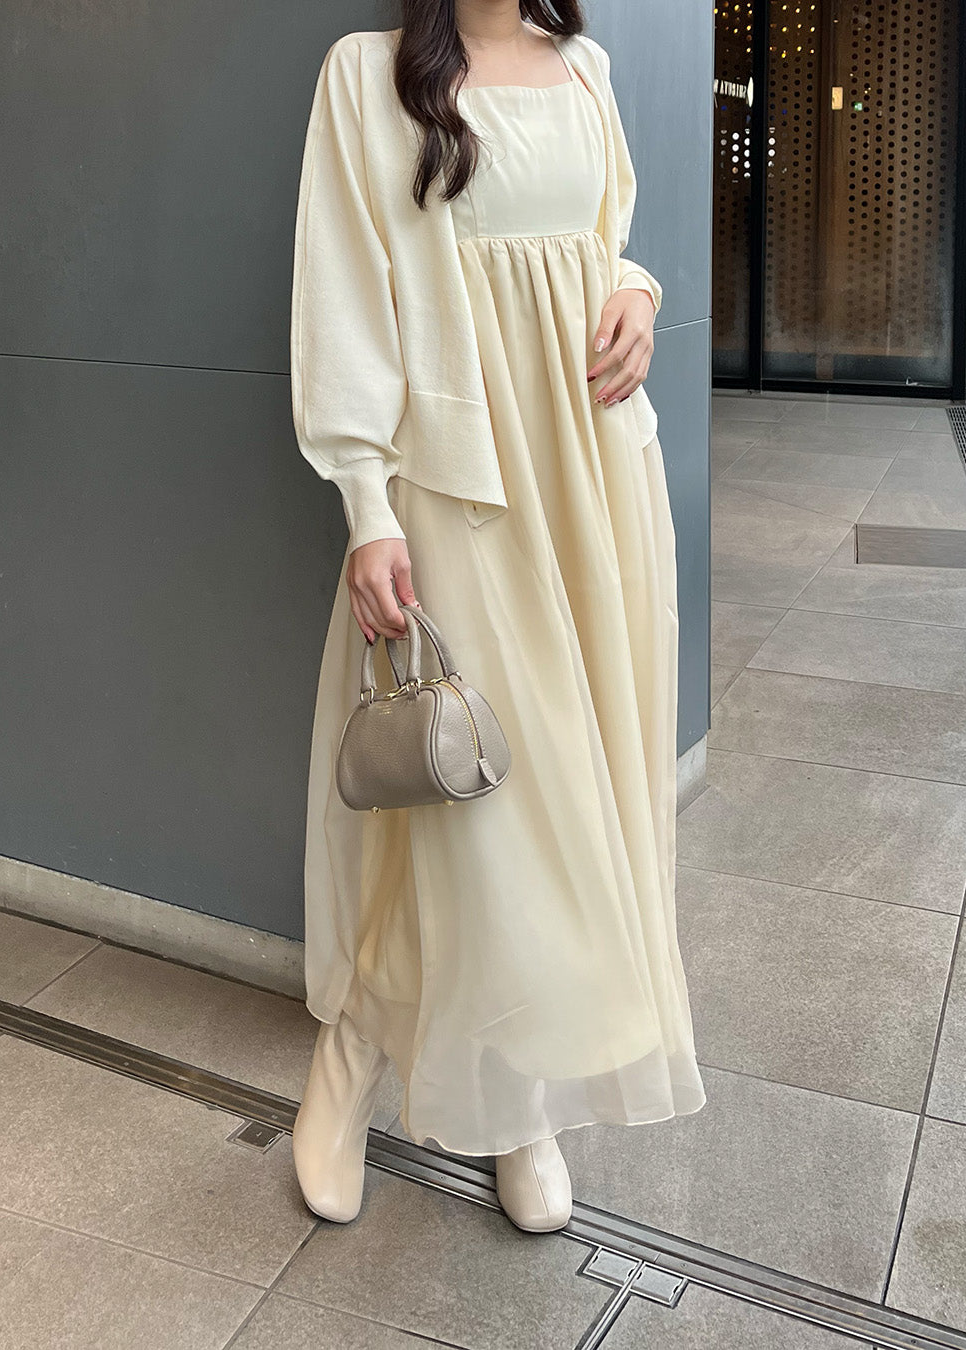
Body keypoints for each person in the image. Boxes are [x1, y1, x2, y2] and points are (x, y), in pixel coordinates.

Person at [288, 0, 706, 1234]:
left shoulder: (589, 68)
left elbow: (602, 238)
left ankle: (520, 1101)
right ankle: (351, 1057)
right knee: (476, 807)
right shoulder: (368, 76)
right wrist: (368, 504)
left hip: (596, 476)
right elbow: (344, 289)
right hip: (460, 483)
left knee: (581, 799)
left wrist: (637, 290)